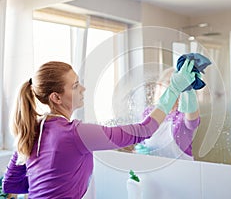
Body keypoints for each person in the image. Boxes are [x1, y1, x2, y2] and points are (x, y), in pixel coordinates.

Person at [2, 59, 196, 198]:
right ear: (56, 97)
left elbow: (10, 183)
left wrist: (50, 181)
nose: (83, 89)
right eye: (76, 85)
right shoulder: (76, 133)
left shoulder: (32, 130)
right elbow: (143, 130)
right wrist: (173, 90)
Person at [134, 67, 200, 160]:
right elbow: (142, 141)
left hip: (182, 170)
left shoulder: (182, 115)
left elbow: (192, 122)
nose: (174, 88)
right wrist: (139, 151)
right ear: (160, 86)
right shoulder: (148, 112)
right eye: (169, 82)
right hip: (152, 169)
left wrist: (189, 90)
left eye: (178, 84)